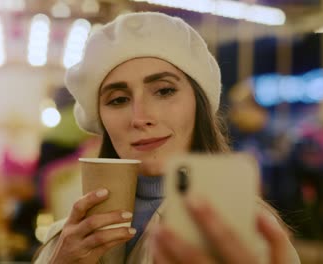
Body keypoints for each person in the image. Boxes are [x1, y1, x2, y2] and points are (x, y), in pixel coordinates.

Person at [34, 12, 300, 263]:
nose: (140, 117)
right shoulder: (66, 238)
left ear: (199, 104)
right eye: (118, 100)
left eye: (164, 91)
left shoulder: (248, 229)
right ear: (101, 119)